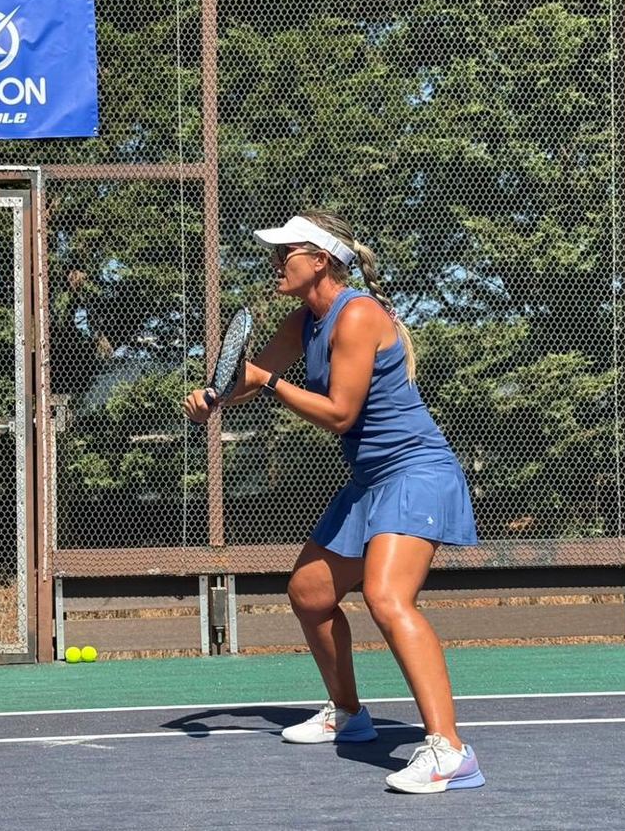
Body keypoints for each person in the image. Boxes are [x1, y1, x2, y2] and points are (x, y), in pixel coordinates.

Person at [182, 212, 485, 794]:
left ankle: (450, 751)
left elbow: (340, 413)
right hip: (370, 479)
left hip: (416, 472)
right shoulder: (304, 320)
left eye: (285, 252)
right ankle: (349, 714)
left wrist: (267, 384)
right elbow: (251, 377)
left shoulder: (360, 315)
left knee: (387, 596)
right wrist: (214, 397)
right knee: (310, 593)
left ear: (320, 259)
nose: (275, 262)